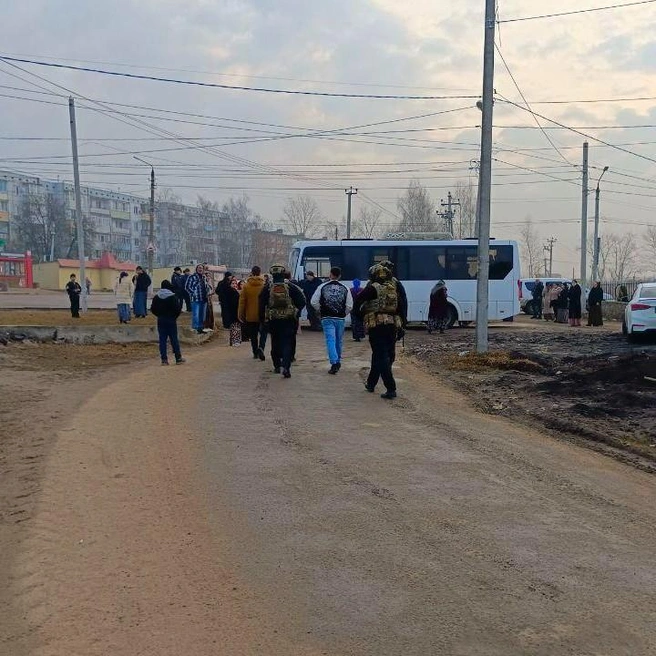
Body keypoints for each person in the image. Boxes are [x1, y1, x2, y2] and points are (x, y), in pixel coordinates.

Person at [353, 261, 408, 400]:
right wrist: (402, 326)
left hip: (377, 326)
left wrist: (363, 318)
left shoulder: (372, 288)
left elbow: (357, 304)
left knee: (381, 356)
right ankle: (371, 383)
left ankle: (391, 388)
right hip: (392, 326)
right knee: (383, 355)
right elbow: (401, 308)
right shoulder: (393, 287)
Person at [259, 264, 306, 378]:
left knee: (275, 342)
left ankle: (276, 366)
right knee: (287, 343)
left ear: (272, 274)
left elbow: (261, 305)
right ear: (283, 274)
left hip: (273, 320)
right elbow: (302, 301)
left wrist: (262, 320)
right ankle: (286, 366)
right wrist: (295, 311)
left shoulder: (267, 288)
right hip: (289, 320)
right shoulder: (290, 287)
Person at [311, 266, 353, 374]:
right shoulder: (345, 288)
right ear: (339, 276)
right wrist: (344, 313)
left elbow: (313, 302)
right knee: (339, 341)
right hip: (340, 318)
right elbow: (349, 305)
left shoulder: (322, 286)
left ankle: (334, 362)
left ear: (330, 274)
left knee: (330, 340)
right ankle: (338, 360)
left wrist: (320, 311)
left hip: (327, 318)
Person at [150, 280, 185, 365]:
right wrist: (174, 317)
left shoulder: (156, 297)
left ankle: (164, 360)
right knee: (174, 339)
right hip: (171, 320)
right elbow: (177, 309)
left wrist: (159, 315)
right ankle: (178, 358)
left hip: (161, 320)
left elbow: (153, 309)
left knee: (162, 340)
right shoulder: (173, 296)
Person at [239, 265, 267, 360]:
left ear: (251, 272)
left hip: (250, 315)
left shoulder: (246, 286)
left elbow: (242, 301)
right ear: (260, 273)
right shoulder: (264, 286)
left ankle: (255, 352)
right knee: (264, 332)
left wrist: (241, 314)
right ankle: (261, 347)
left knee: (253, 335)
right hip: (263, 314)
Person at [216, 271, 241, 346]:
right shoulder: (229, 287)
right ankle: (234, 340)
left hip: (224, 302)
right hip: (229, 305)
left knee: (225, 313)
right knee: (233, 322)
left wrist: (221, 296)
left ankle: (226, 325)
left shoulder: (221, 283)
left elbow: (217, 291)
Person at [185, 264, 210, 334]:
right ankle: (195, 328)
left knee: (202, 315)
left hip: (203, 298)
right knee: (196, 314)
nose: (200, 269)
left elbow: (207, 287)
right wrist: (193, 293)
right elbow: (187, 287)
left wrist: (208, 284)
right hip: (195, 298)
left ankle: (200, 328)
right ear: (196, 269)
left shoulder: (204, 277)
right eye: (199, 268)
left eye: (202, 268)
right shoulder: (192, 277)